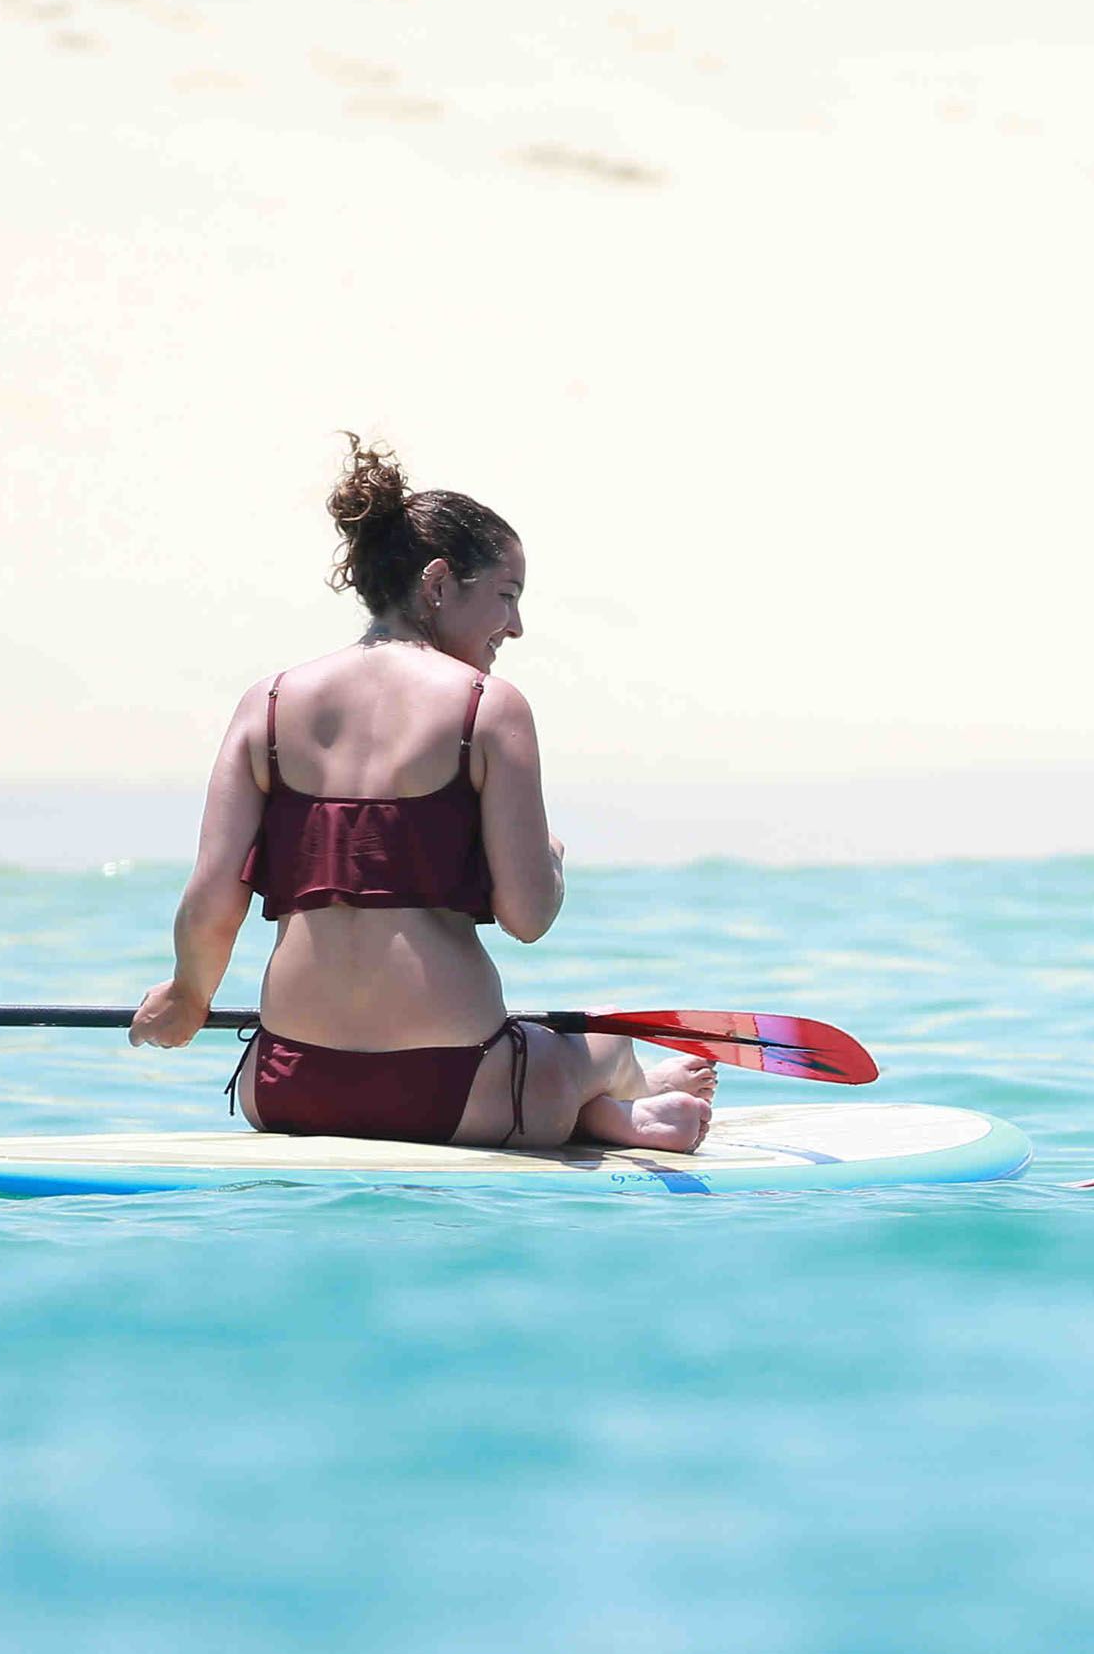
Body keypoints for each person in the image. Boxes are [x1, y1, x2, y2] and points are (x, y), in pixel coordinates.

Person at [129, 436, 714, 1150]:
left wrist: (187, 995)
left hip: (285, 1086)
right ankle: (626, 1095)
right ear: (438, 584)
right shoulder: (488, 707)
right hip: (457, 1093)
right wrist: (551, 857)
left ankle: (610, 1114)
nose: (516, 626)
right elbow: (529, 916)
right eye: (506, 596)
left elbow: (210, 898)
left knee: (541, 1065)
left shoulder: (268, 703)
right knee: (607, 1040)